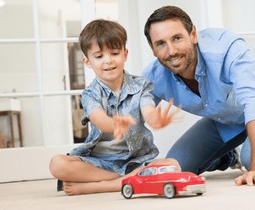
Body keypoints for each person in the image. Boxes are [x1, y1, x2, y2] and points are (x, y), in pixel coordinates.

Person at [142, 5, 255, 186]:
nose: (172, 51)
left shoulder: (228, 49)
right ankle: (229, 156)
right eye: (161, 43)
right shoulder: (154, 75)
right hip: (226, 118)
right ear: (152, 48)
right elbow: (130, 117)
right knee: (175, 166)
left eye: (177, 38)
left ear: (193, 35)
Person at [49, 19, 180, 195]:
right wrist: (114, 125)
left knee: (173, 165)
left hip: (137, 159)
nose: (108, 61)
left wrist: (156, 120)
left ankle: (101, 186)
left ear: (125, 54)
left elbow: (147, 109)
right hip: (100, 161)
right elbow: (99, 118)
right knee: (57, 164)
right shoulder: (90, 94)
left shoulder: (142, 85)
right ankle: (124, 179)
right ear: (87, 62)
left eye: (115, 53)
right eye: (99, 56)